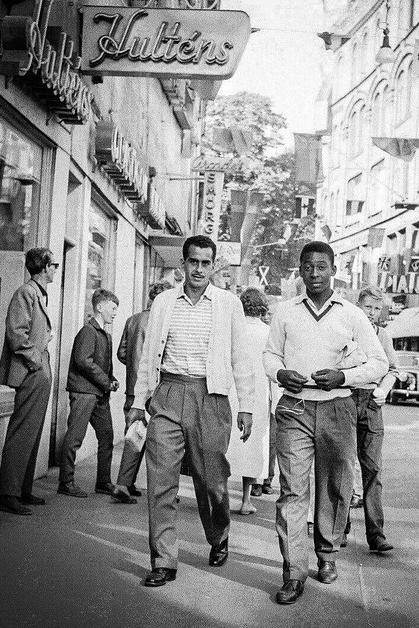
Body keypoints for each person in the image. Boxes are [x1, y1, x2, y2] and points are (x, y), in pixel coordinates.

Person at [263, 241, 388, 605]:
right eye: (307, 267)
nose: (314, 274)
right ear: (299, 270)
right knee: (292, 490)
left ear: (333, 269)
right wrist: (280, 372)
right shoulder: (285, 312)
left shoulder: (352, 314)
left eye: (321, 267)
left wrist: (344, 377)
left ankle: (328, 554)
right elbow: (270, 355)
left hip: (337, 408)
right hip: (294, 409)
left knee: (335, 486)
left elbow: (378, 364)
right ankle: (293, 571)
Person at [127, 235, 254, 588]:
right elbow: (148, 355)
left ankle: (219, 534)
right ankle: (164, 560)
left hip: (210, 397)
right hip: (167, 392)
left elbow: (241, 358)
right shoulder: (166, 302)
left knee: (211, 478)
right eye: (193, 262)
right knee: (160, 481)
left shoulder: (228, 304)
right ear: (182, 264)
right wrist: (139, 404)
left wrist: (247, 405)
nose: (198, 269)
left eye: (205, 263)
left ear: (213, 266)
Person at [0, 248, 58, 515]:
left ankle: (21, 489)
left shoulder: (37, 294)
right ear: (44, 267)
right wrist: (36, 363)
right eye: (53, 264)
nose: (56, 268)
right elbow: (16, 334)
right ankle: (8, 493)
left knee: (32, 431)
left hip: (37, 370)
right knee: (22, 431)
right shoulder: (26, 292)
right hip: (31, 371)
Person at [344, 286, 399, 552]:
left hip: (372, 404)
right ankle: (338, 529)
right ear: (358, 306)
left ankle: (376, 534)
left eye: (377, 309)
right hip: (346, 399)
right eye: (368, 307)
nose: (372, 313)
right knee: (342, 465)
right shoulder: (347, 330)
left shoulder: (384, 335)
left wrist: (384, 388)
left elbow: (394, 368)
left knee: (373, 469)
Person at [111, 280, 174, 504]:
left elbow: (121, 353)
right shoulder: (164, 320)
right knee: (163, 439)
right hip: (157, 388)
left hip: (132, 387)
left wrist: (133, 367)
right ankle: (156, 489)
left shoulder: (133, 319)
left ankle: (126, 483)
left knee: (134, 433)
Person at [58, 289, 119, 498]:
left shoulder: (105, 335)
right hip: (84, 392)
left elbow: (100, 364)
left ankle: (103, 482)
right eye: (112, 308)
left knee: (107, 437)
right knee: (75, 438)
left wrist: (110, 380)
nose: (115, 313)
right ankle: (65, 482)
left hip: (98, 393)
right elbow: (83, 361)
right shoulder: (88, 332)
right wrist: (106, 381)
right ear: (100, 308)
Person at [227, 288, 272, 515]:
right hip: (258, 393)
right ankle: (246, 500)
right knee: (252, 444)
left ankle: (221, 496)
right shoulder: (268, 333)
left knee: (227, 443)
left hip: (233, 390)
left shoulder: (234, 330)